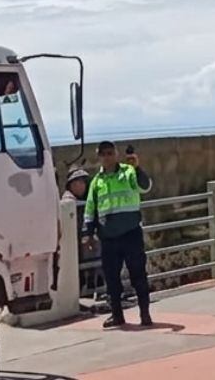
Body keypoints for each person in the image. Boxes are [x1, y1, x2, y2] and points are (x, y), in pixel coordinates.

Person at [83, 139, 154, 328]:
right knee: (112, 279)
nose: (107, 157)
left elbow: (145, 187)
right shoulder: (96, 182)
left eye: (110, 153)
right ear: (99, 157)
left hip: (131, 234)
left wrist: (137, 168)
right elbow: (90, 209)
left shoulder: (129, 172)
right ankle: (117, 316)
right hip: (109, 238)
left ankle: (145, 314)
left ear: (116, 154)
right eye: (103, 154)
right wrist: (88, 234)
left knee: (138, 275)